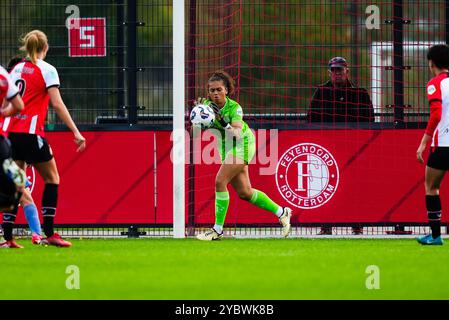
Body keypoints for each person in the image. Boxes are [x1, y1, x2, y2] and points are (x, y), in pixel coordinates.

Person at [5, 30, 86, 247]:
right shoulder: (47, 70)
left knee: (18, 184)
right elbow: (57, 104)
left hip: (10, 135)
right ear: (46, 47)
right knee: (52, 179)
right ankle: (49, 234)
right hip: (31, 135)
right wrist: (76, 132)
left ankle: (8, 238)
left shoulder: (16, 68)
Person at [195, 71, 292, 240]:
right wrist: (196, 119)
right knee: (245, 193)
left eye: (219, 89)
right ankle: (282, 212)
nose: (215, 94)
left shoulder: (234, 108)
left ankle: (217, 230)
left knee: (220, 181)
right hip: (225, 147)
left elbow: (237, 134)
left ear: (226, 90)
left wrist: (223, 121)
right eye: (212, 91)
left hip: (243, 143)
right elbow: (194, 134)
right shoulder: (206, 106)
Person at [309, 57, 374, 235]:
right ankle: (326, 224)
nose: (337, 74)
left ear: (347, 71)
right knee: (327, 185)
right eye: (334, 71)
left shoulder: (360, 93)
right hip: (328, 147)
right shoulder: (321, 92)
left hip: (354, 146)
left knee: (354, 185)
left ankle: (356, 223)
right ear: (329, 72)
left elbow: (369, 120)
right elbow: (312, 119)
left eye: (340, 70)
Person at [416, 44, 449, 245]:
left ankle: (436, 236)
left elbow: (436, 113)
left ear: (431, 63)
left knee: (431, 187)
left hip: (444, 144)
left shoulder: (435, 84)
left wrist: (423, 142)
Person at [0, 65, 28, 248]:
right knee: (20, 179)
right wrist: (3, 113)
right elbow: (19, 105)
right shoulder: (2, 73)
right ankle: (7, 205)